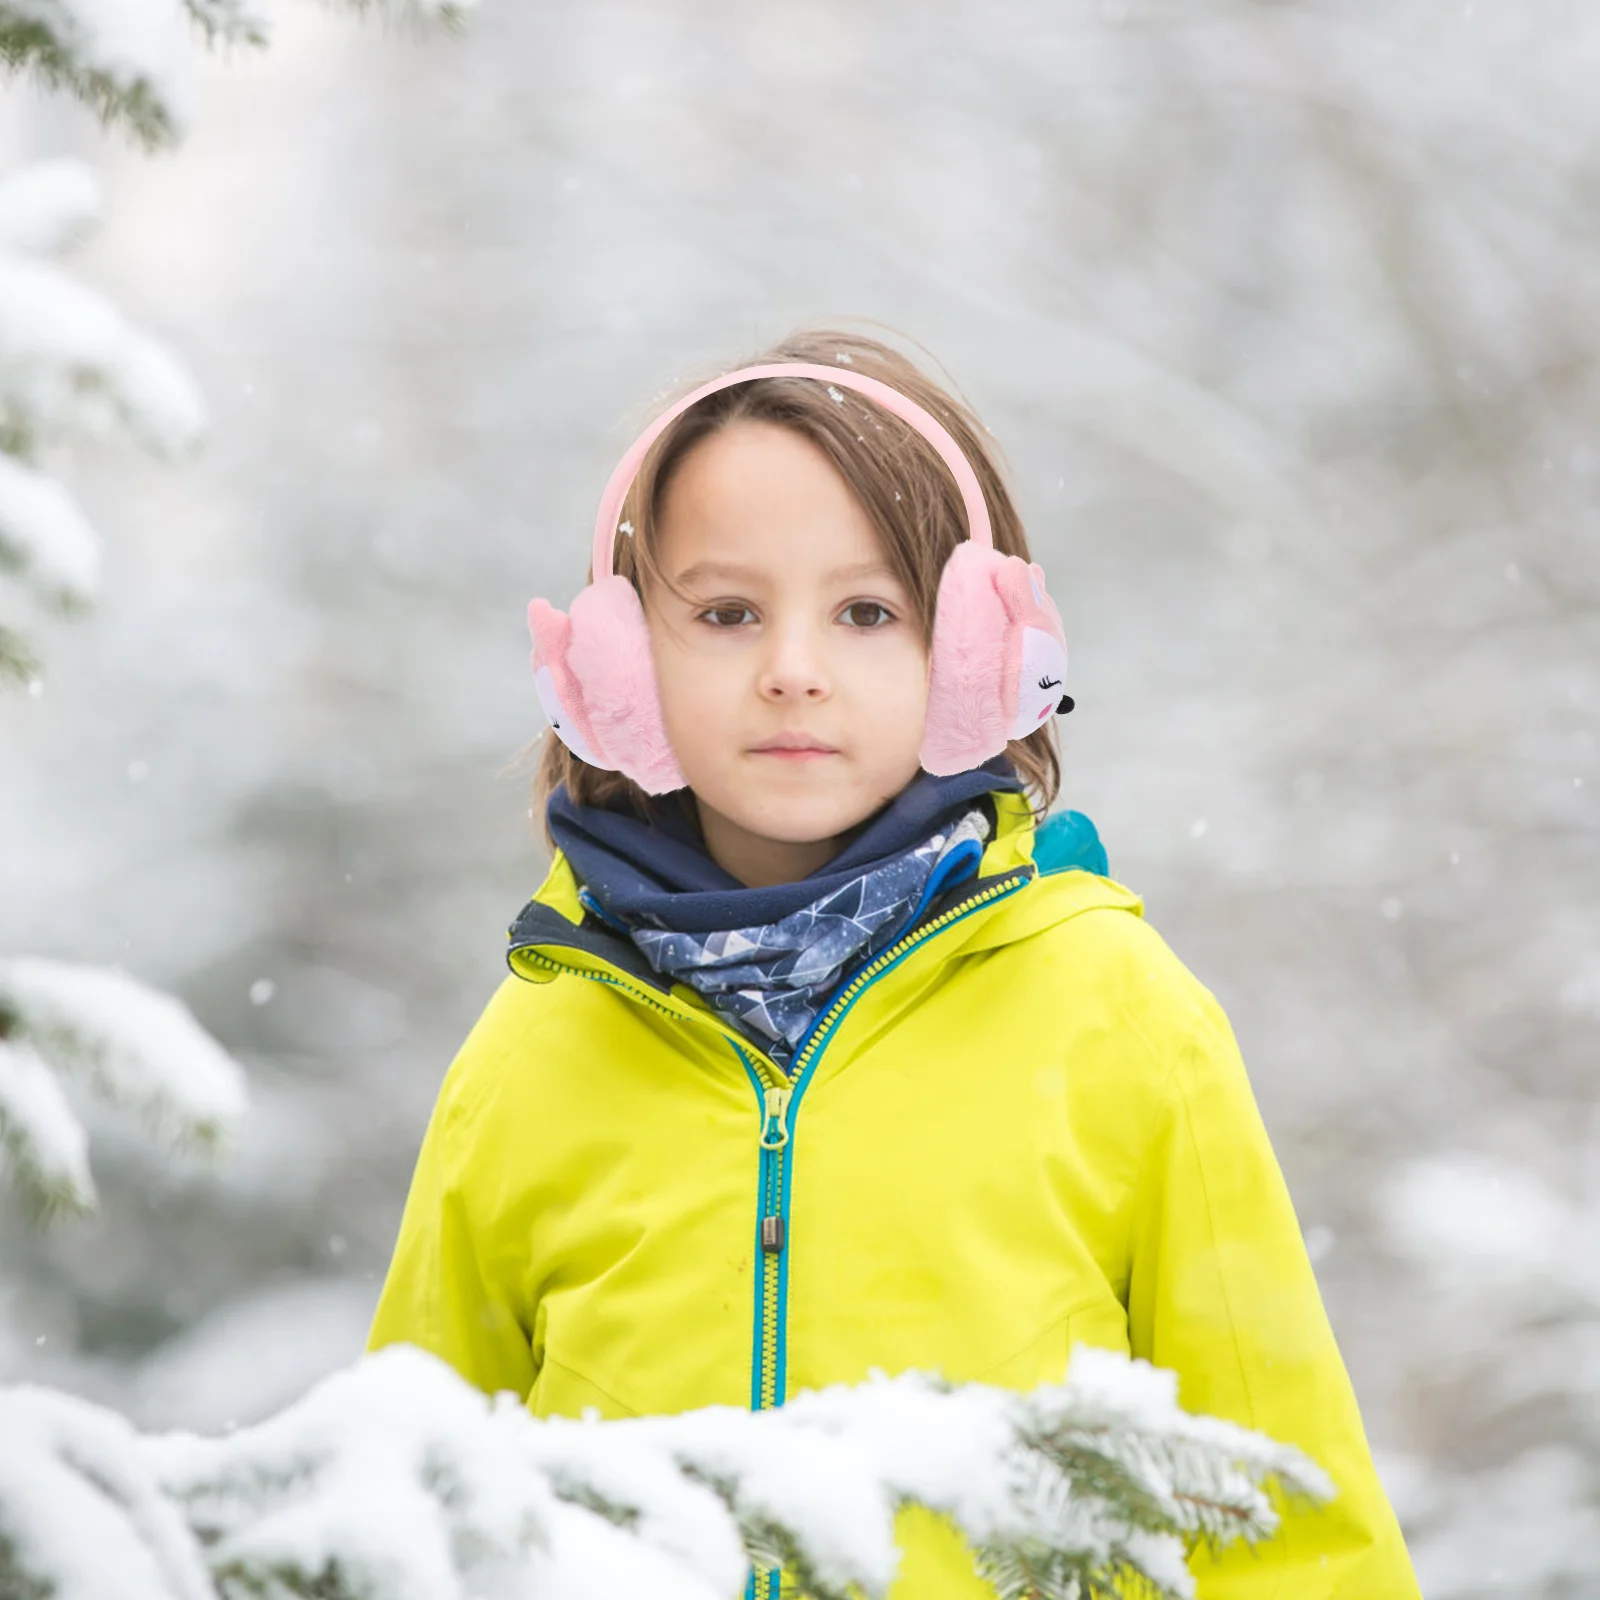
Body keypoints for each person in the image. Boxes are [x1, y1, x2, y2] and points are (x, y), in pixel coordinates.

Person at [366, 327, 1421, 1598]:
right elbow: (403, 1512)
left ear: (980, 652)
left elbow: (1288, 1517)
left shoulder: (1118, 1015)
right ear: (615, 664)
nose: (792, 671)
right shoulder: (535, 1048)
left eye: (868, 611)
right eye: (725, 612)